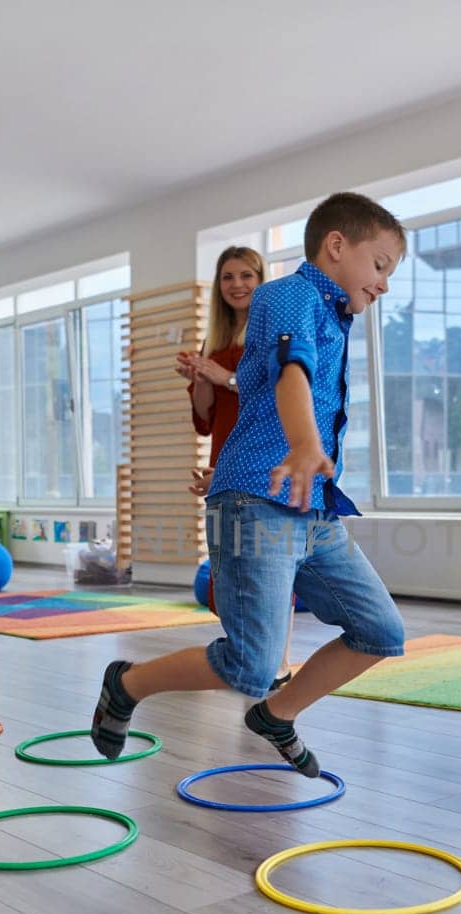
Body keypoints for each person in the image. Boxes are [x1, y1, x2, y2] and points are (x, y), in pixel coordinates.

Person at [91, 192, 408, 776]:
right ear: (337, 247)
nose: (384, 283)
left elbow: (277, 383)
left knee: (382, 631)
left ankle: (276, 716)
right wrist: (305, 445)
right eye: (381, 265)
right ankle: (127, 684)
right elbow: (293, 373)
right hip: (256, 504)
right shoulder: (286, 294)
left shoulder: (334, 313)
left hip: (313, 511)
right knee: (250, 665)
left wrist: (309, 455)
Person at [176, 246, 292, 688]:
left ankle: (278, 665)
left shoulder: (271, 332)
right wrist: (200, 378)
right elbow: (205, 420)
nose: (237, 284)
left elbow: (274, 394)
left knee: (273, 563)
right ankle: (257, 659)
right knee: (235, 569)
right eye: (228, 277)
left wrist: (221, 376)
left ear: (262, 280)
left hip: (265, 458)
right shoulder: (215, 344)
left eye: (247, 275)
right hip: (228, 457)